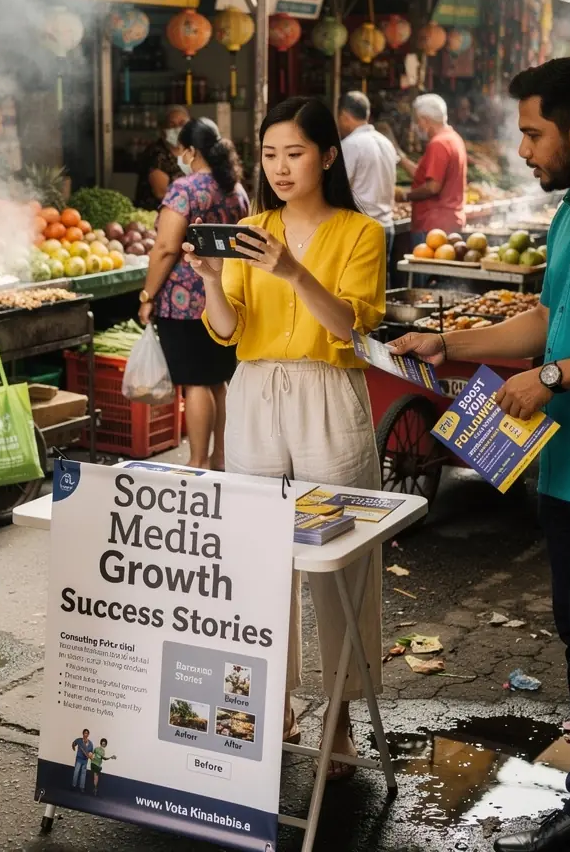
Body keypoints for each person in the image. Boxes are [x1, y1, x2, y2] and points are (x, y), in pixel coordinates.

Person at [391, 57, 570, 852]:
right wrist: (448, 342)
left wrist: (552, 378)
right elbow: (544, 320)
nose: (522, 149)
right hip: (565, 463)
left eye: (534, 132)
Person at [187, 96, 386, 780]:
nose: (279, 167)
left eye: (294, 153)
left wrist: (293, 271)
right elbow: (228, 330)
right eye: (269, 154)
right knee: (255, 560)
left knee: (342, 564)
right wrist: (213, 281)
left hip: (327, 394)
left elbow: (350, 328)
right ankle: (270, 708)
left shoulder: (361, 234)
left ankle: (340, 718)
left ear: (328, 156)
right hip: (254, 394)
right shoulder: (248, 227)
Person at [138, 118, 249, 470]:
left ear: (190, 151)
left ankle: (197, 459)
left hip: (185, 301)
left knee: (196, 384)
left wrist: (147, 295)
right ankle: (219, 457)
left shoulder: (185, 189)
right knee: (217, 381)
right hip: (225, 297)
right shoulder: (236, 189)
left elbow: (167, 247)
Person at [395, 93, 468, 246]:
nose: (416, 127)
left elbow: (433, 186)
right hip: (447, 222)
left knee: (426, 269)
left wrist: (406, 196)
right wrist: (400, 159)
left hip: (433, 226)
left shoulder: (438, 144)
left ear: (425, 120)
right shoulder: (453, 138)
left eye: (417, 121)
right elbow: (427, 176)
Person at [337, 90, 398, 268]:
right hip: (386, 226)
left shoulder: (350, 145)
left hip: (362, 231)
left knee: (359, 289)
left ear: (345, 116)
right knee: (381, 289)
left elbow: (338, 189)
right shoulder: (386, 143)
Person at [134, 105, 190, 211]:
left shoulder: (191, 150)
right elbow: (161, 193)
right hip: (158, 214)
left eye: (182, 124)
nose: (178, 129)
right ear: (163, 130)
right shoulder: (156, 154)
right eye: (172, 125)